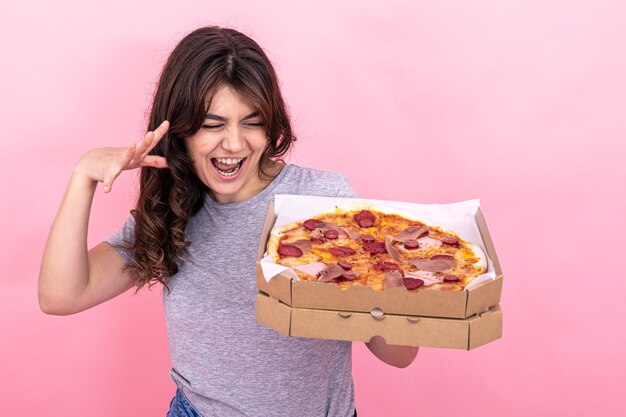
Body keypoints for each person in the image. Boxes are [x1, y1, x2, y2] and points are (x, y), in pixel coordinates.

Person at [38, 26, 418, 417]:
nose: (235, 144)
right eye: (213, 124)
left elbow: (399, 354)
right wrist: (83, 177)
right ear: (179, 129)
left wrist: (385, 294)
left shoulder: (324, 202)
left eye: (252, 123)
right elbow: (60, 296)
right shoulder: (172, 214)